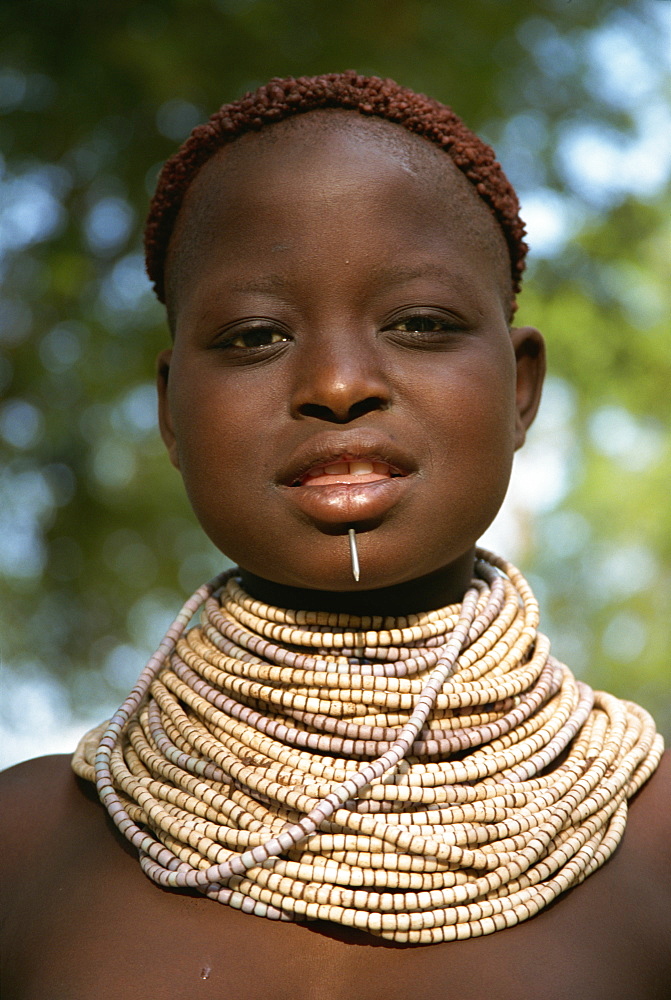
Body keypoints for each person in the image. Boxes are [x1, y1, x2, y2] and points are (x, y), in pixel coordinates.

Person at [1, 72, 669, 1000]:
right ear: (169, 411)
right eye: (253, 337)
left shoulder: (653, 841)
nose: (340, 381)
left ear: (520, 389)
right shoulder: (25, 847)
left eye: (421, 323)